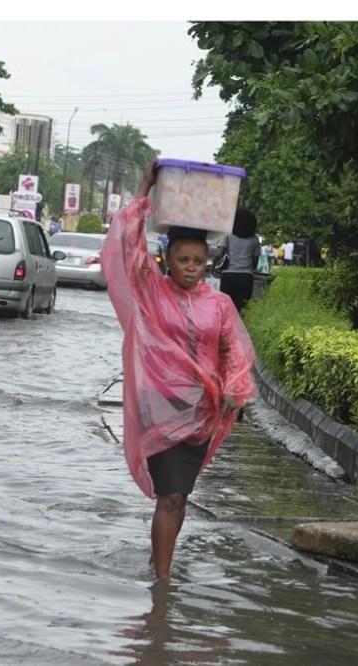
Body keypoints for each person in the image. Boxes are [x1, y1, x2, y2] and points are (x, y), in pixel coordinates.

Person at [100, 161, 256, 581]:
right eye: (183, 259)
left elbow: (234, 351)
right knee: (169, 494)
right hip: (161, 407)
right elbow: (126, 244)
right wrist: (145, 189)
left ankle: (159, 564)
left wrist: (234, 389)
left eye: (199, 260)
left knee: (180, 495)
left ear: (209, 262)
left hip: (203, 414)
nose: (191, 266)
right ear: (166, 259)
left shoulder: (218, 305)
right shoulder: (151, 290)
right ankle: (163, 582)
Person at [213, 208, 262, 312]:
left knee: (226, 309)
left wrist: (213, 267)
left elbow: (219, 255)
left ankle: (226, 328)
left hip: (228, 277)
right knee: (242, 310)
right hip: (246, 277)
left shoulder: (228, 236)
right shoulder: (255, 239)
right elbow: (255, 264)